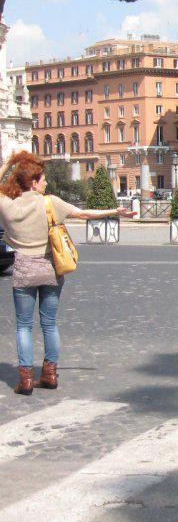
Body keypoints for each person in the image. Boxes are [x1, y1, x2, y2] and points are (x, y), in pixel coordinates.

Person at [0, 151, 135, 395]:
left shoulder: (8, 204)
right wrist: (114, 211)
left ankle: (26, 380)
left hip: (24, 270)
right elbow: (83, 214)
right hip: (51, 269)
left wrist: (9, 164)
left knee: (23, 326)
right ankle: (50, 373)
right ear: (33, 182)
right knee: (49, 324)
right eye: (43, 179)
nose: (47, 183)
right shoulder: (49, 203)